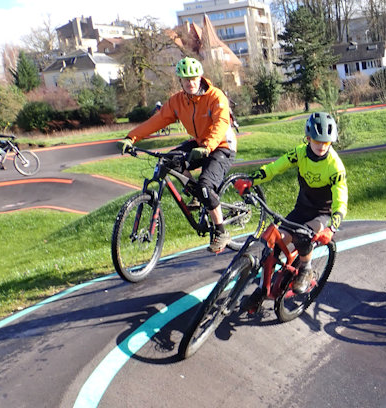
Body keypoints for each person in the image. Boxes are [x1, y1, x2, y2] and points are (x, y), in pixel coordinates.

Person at [116, 57, 238, 253]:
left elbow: (221, 122)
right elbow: (157, 121)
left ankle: (221, 231)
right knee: (169, 161)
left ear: (200, 77)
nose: (190, 83)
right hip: (199, 144)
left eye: (194, 78)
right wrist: (131, 138)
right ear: (180, 81)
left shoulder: (216, 96)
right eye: (185, 79)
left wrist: (208, 145)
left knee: (206, 185)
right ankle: (196, 195)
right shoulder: (177, 101)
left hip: (222, 145)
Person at [235, 112, 348, 294]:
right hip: (301, 209)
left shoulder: (335, 166)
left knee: (302, 237)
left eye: (326, 142)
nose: (321, 146)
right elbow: (274, 168)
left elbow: (341, 200)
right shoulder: (300, 153)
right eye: (317, 141)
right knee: (274, 241)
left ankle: (306, 269)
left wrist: (332, 228)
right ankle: (265, 287)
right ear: (308, 138)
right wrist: (251, 180)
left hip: (322, 214)